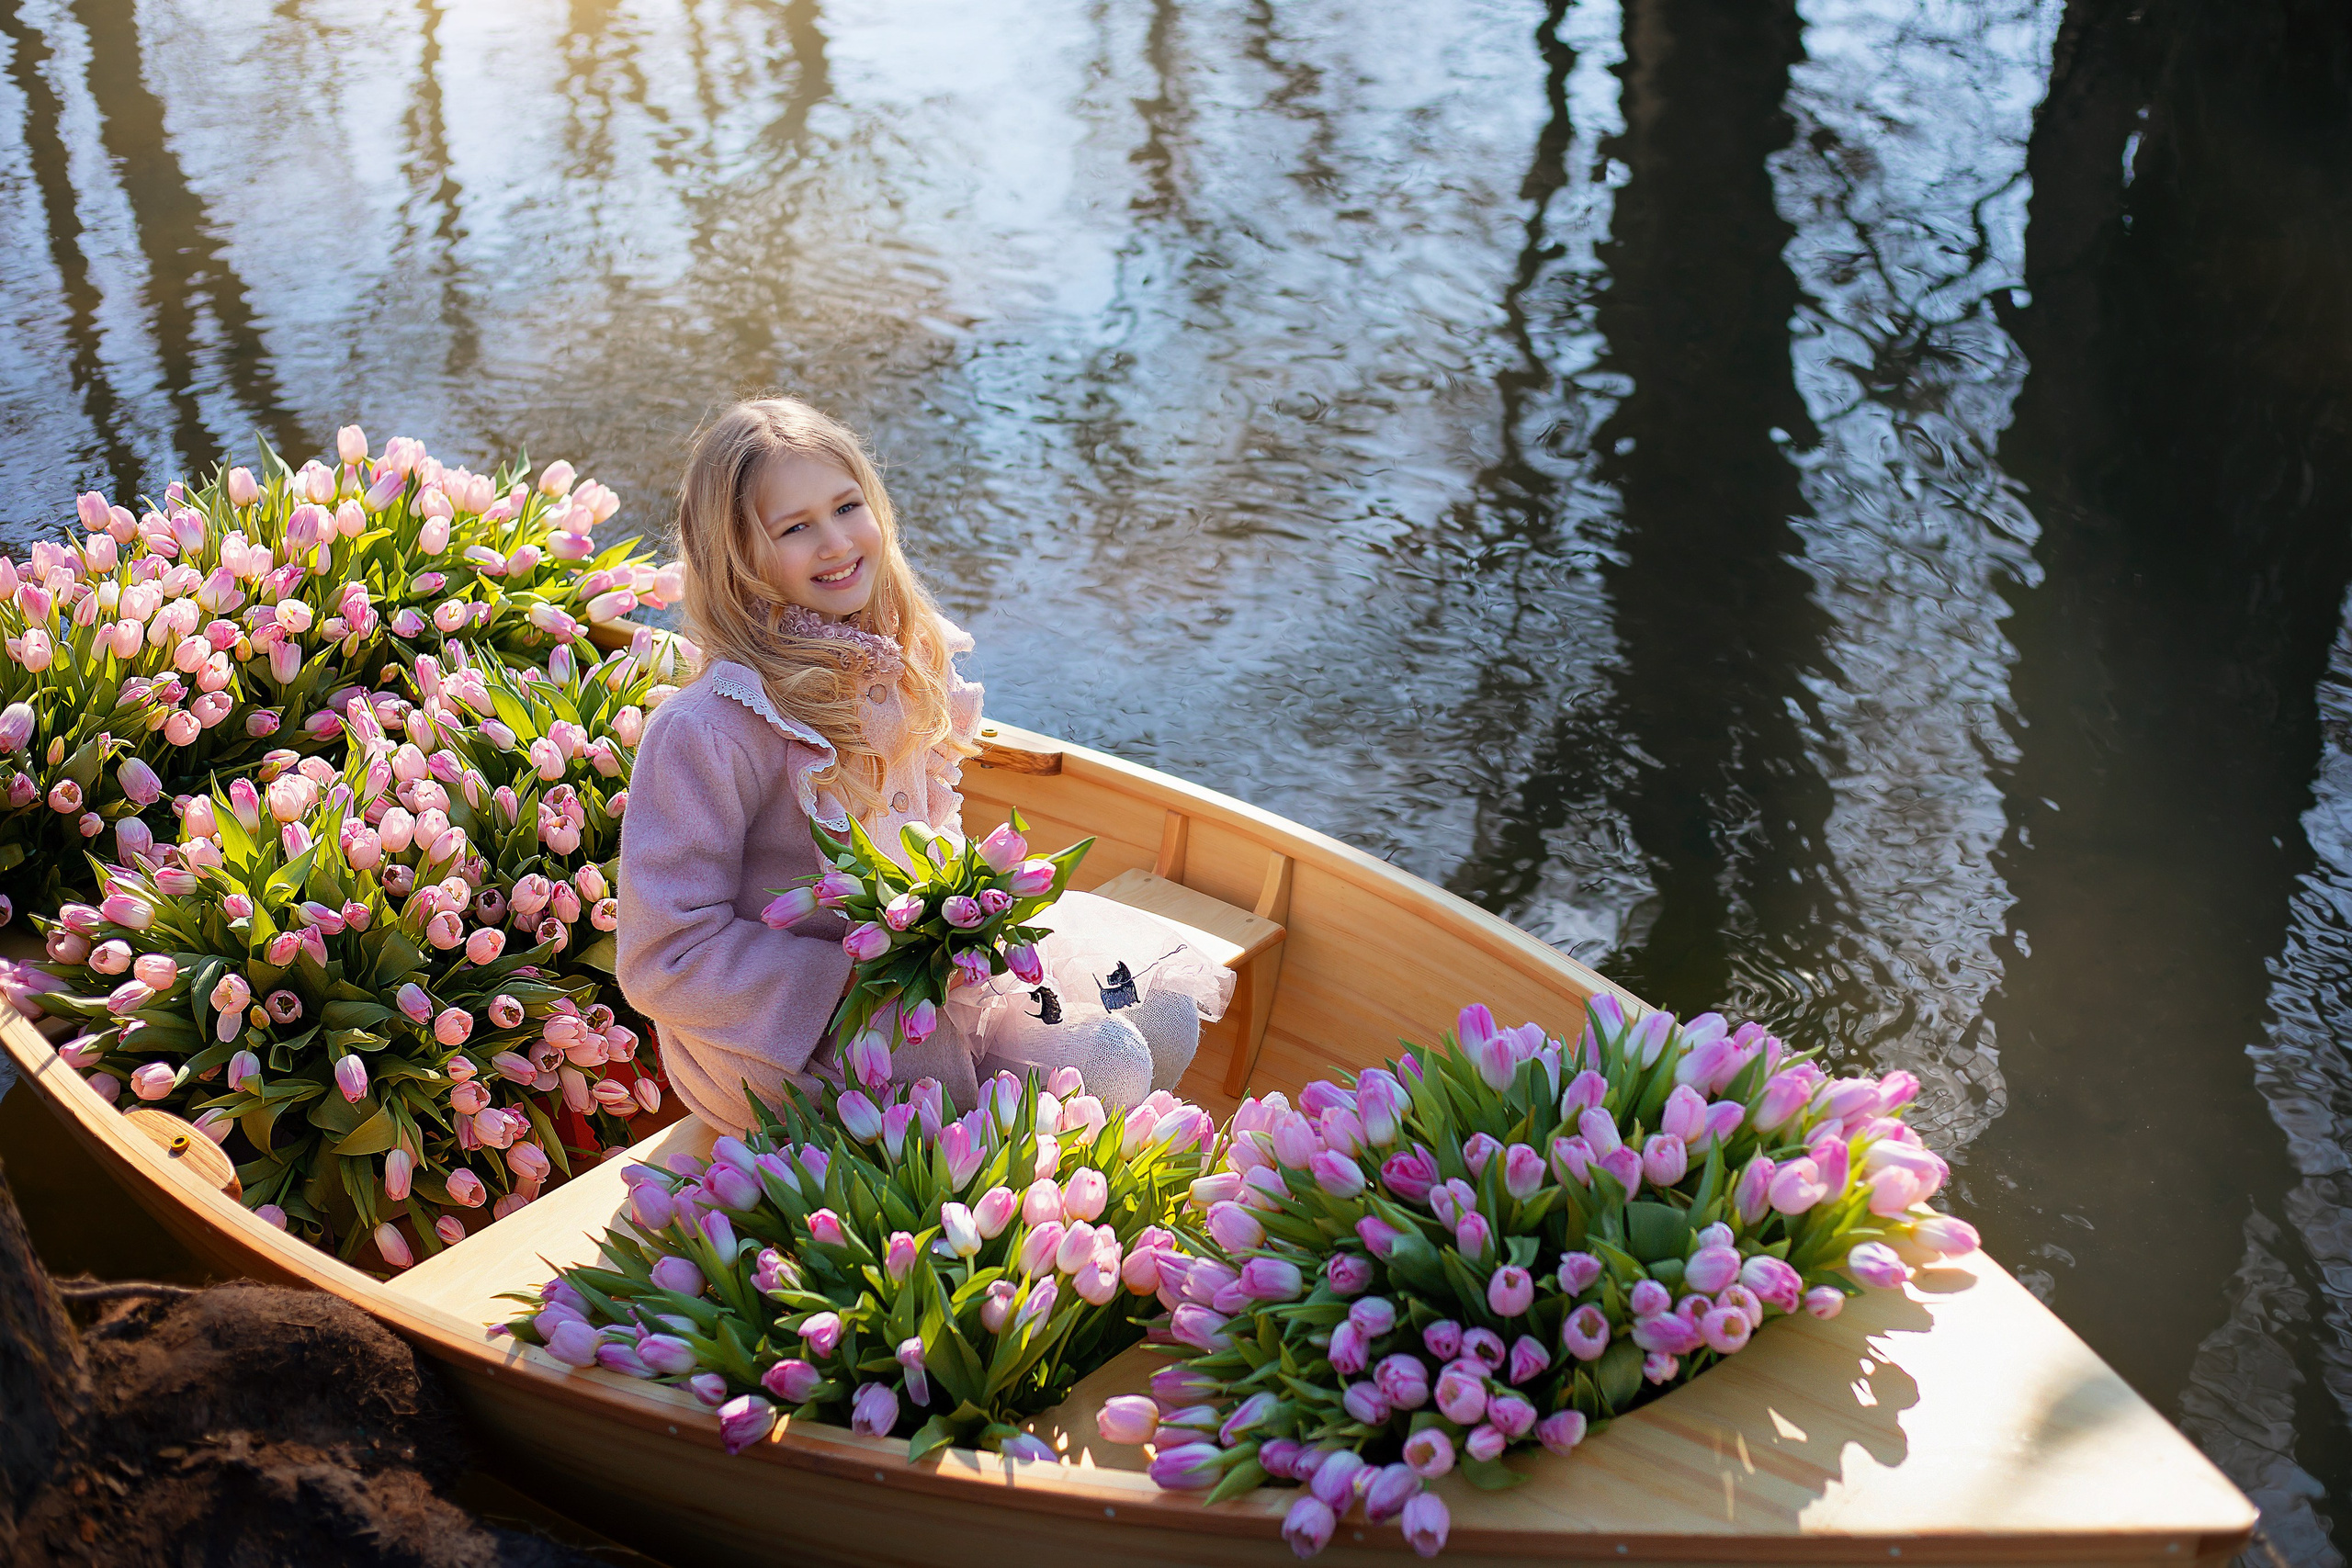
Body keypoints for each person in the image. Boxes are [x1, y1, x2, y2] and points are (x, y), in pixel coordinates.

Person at [616, 396, 1229, 1134]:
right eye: (796, 527)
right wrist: (855, 974)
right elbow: (663, 956)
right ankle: (1026, 1162)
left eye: (847, 507)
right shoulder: (708, 730)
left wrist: (963, 917)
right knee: (1112, 1061)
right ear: (736, 557)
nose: (836, 542)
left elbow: (923, 825)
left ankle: (1070, 1162)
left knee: (1164, 1011)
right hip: (790, 1031)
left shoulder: (895, 659)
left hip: (927, 969)